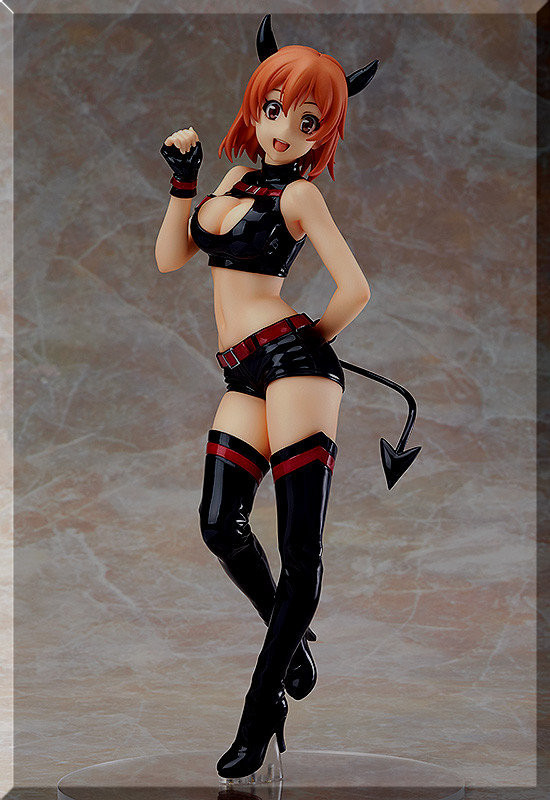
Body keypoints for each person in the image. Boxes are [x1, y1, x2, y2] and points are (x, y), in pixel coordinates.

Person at [155, 15, 379, 780]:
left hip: (294, 367)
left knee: (300, 550)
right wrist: (184, 180)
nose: (283, 130)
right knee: (220, 525)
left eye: (306, 122)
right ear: (256, 108)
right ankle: (293, 646)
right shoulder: (231, 183)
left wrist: (309, 343)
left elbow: (355, 288)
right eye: (275, 110)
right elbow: (171, 257)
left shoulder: (302, 196)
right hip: (240, 372)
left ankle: (261, 710)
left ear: (323, 134)